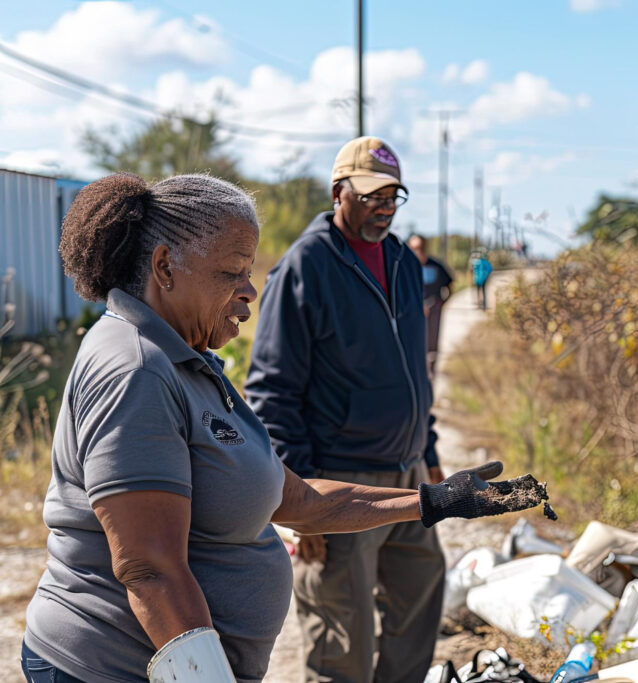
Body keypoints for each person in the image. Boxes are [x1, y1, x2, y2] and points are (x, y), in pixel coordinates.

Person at [21, 172, 545, 683]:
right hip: (109, 667)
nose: (250, 289)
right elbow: (149, 569)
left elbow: (300, 501)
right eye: (232, 272)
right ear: (164, 267)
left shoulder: (189, 360)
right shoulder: (136, 370)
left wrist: (435, 501)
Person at [245, 137, 448, 683]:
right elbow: (271, 392)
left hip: (406, 472)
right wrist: (300, 501)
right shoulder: (303, 268)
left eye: (393, 196)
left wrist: (426, 449)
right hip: (339, 485)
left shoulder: (404, 261)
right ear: (340, 193)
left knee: (421, 597)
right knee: (342, 639)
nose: (384, 206)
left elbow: (413, 369)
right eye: (372, 195)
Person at [407, 234, 453, 377]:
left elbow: (449, 284)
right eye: (414, 248)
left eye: (419, 248)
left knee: (432, 338)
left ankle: (431, 369)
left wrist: (442, 302)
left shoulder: (435, 266)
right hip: (412, 309)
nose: (417, 252)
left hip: (433, 306)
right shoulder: (404, 267)